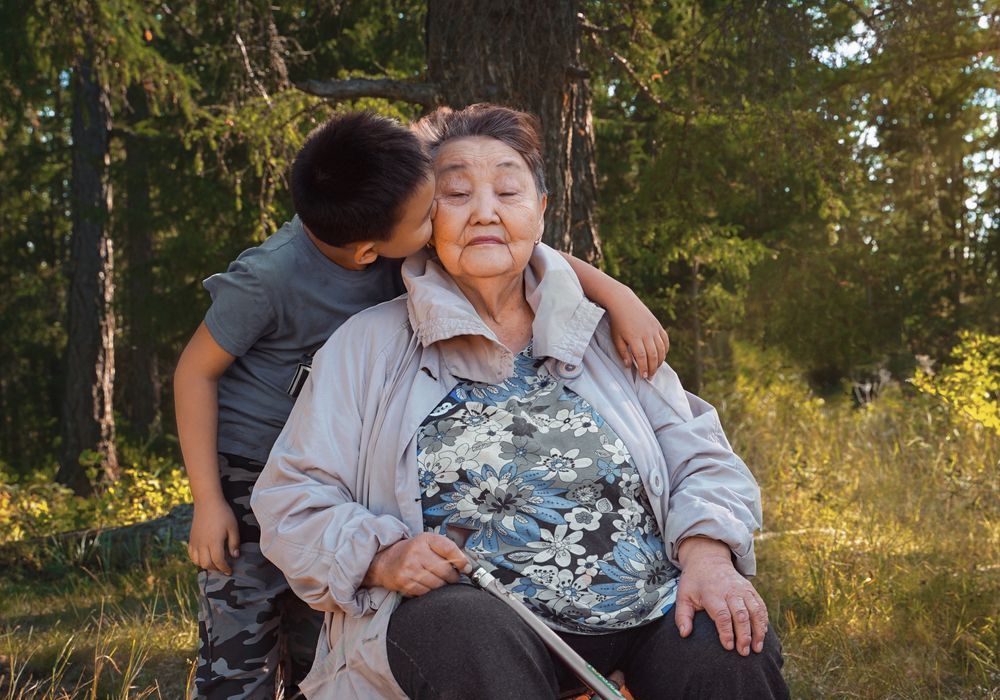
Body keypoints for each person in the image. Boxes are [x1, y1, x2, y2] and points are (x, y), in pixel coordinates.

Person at [252, 103, 788, 700]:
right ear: (424, 217)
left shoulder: (606, 331)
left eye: (508, 190)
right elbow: (291, 499)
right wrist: (382, 557)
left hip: (647, 602)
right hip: (471, 621)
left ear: (540, 211)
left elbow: (701, 455)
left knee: (728, 643)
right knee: (468, 633)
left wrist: (709, 554)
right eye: (455, 194)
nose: (485, 211)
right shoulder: (367, 345)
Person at [174, 110, 672, 699]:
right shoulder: (279, 277)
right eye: (444, 201)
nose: (467, 213)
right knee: (245, 629)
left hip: (343, 457)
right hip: (251, 458)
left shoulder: (384, 211)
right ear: (376, 249)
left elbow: (517, 241)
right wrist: (208, 500)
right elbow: (194, 372)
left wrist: (618, 294)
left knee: (315, 638)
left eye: (501, 193)